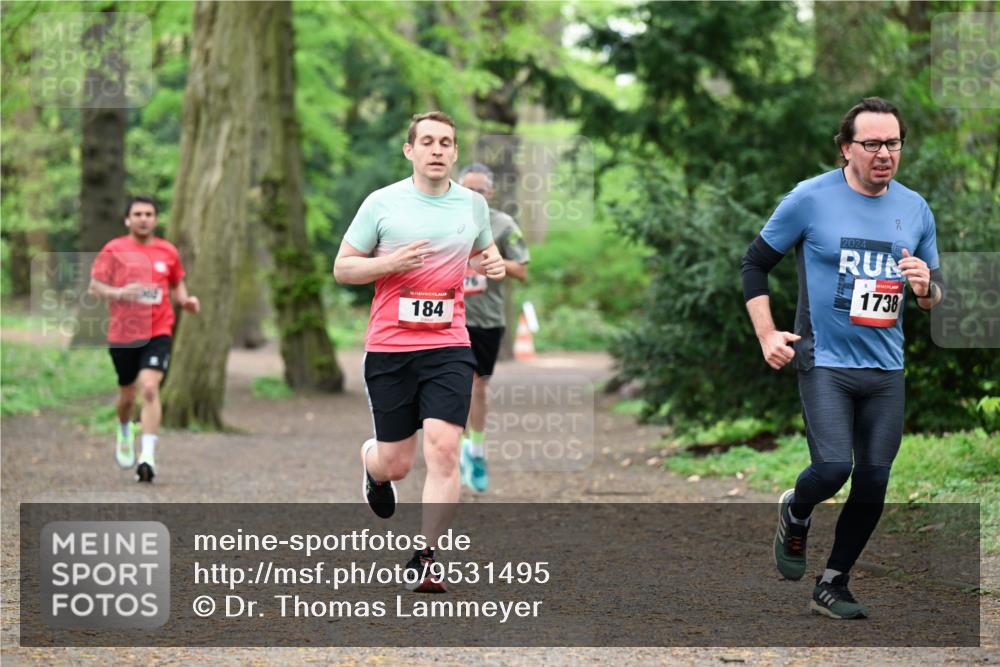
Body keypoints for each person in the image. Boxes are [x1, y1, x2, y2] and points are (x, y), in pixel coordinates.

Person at [740, 97, 942, 619]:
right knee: (832, 468)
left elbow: (933, 293)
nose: (884, 154)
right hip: (824, 360)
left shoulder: (915, 207)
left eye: (892, 143)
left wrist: (926, 290)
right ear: (846, 148)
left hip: (885, 367)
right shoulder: (810, 199)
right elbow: (755, 264)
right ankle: (797, 508)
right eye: (871, 143)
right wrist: (767, 335)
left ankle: (833, 582)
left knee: (874, 480)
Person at [333, 111, 505, 592]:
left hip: (448, 344)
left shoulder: (472, 205)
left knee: (445, 449)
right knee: (398, 463)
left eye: (445, 142)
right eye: (426, 141)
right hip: (390, 347)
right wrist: (390, 262)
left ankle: (427, 557)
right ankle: (372, 464)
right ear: (409, 150)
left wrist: (493, 264)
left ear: (453, 152)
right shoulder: (382, 204)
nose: (436, 149)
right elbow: (343, 268)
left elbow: (483, 255)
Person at [89, 196, 200, 483]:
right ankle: (125, 428)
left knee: (149, 388)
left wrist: (186, 301)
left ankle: (147, 456)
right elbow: (95, 287)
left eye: (149, 213)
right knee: (127, 396)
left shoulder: (167, 251)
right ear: (127, 219)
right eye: (137, 213)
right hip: (123, 333)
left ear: (155, 218)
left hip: (159, 330)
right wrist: (119, 293)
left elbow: (177, 285)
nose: (143, 218)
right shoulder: (114, 249)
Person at [456, 163, 530, 492]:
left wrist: (494, 262)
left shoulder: (503, 224)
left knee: (477, 386)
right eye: (466, 189)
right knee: (451, 383)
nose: (473, 196)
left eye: (480, 191)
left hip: (486, 320)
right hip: (447, 316)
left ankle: (476, 449)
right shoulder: (443, 219)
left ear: (491, 193)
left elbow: (522, 270)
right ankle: (454, 451)